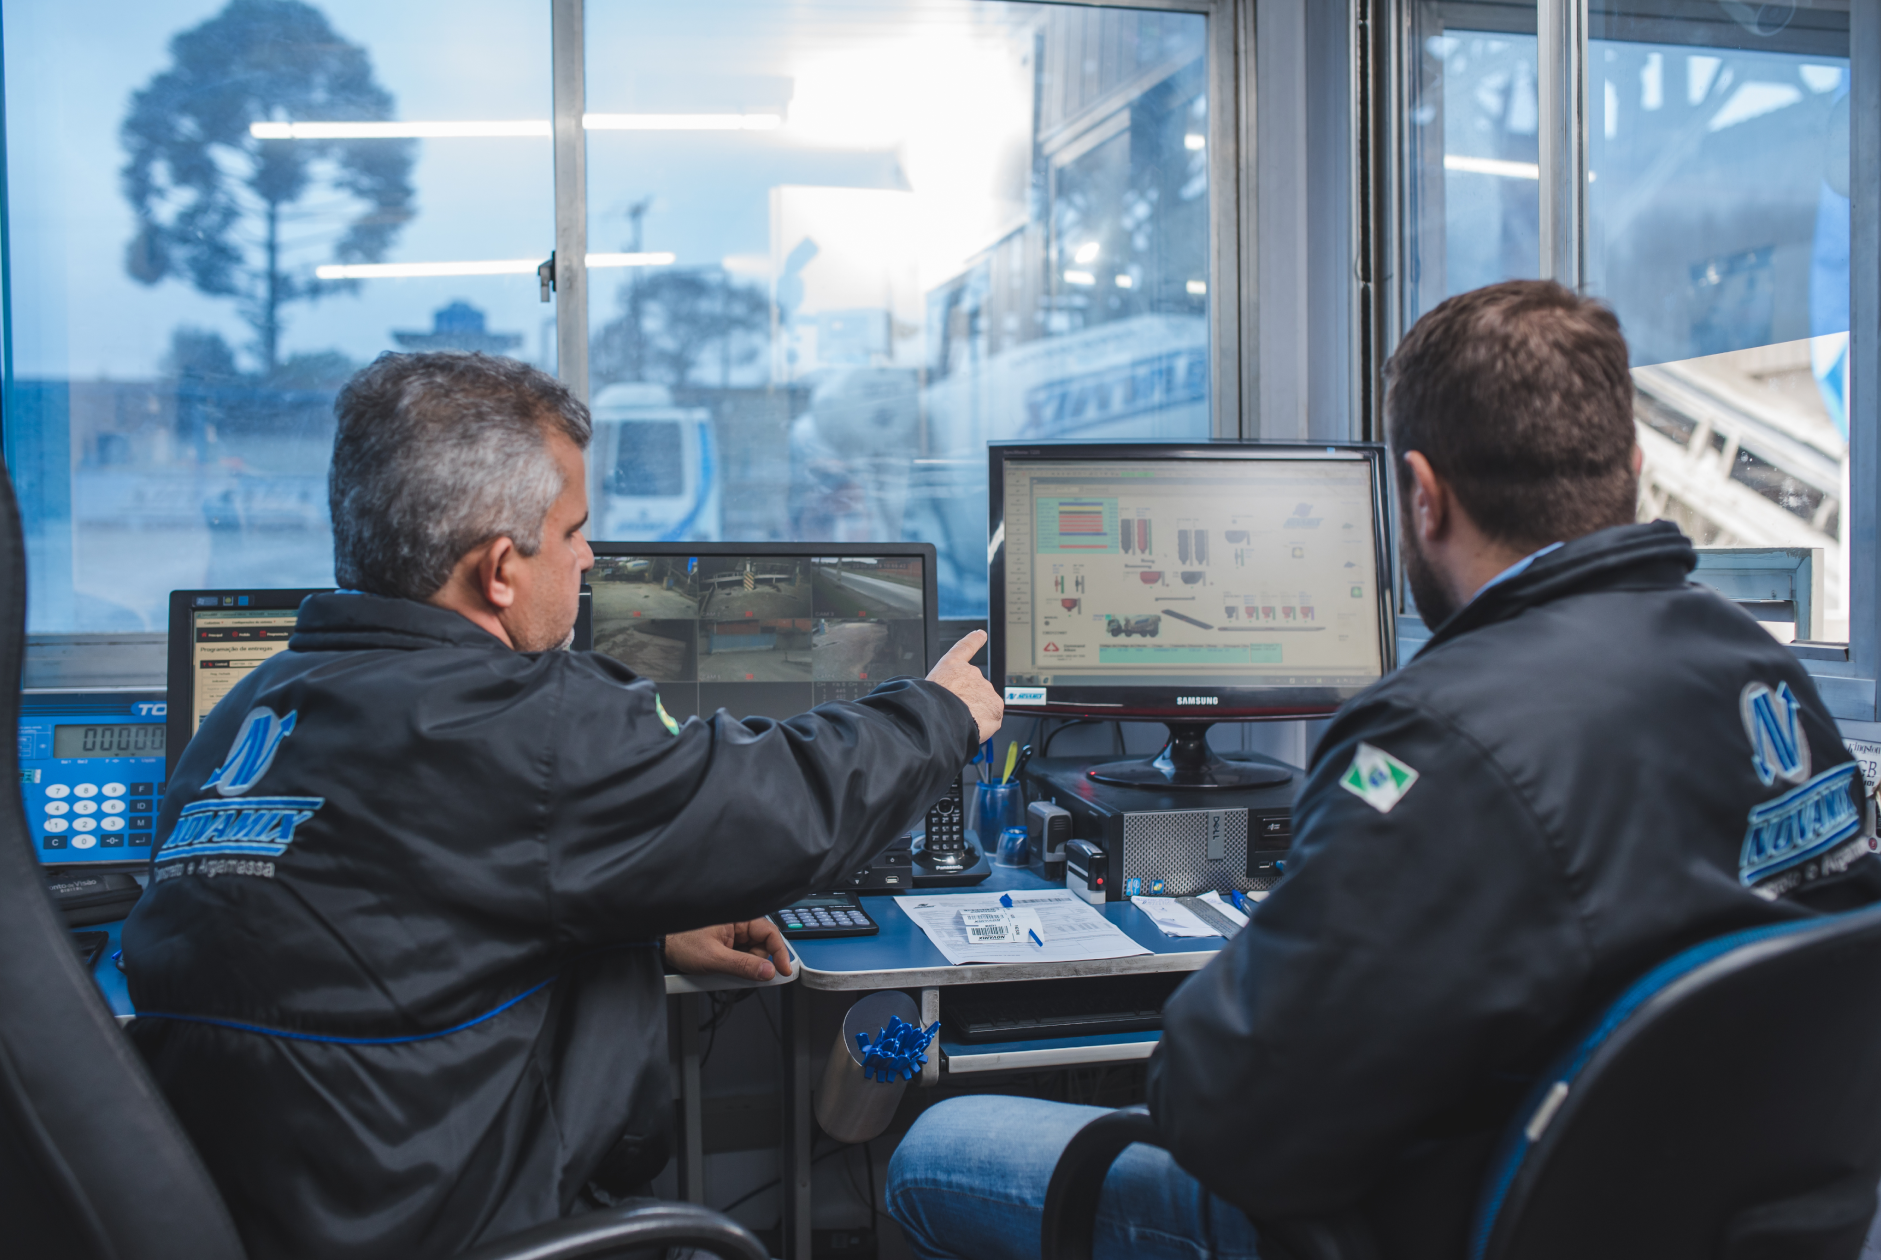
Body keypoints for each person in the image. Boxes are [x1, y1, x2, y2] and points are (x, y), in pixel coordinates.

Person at [887, 280, 1881, 1259]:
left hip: (1430, 1222)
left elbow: (1228, 1119)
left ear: (1422, 493)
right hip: (1677, 1218)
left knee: (930, 1151)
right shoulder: (1765, 675)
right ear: (1627, 463)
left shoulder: (1433, 740)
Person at [123, 352, 1002, 1260]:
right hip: (473, 1228)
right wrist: (938, 715)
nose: (589, 558)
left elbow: (391, 937)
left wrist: (639, 933)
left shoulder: (243, 717)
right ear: (500, 569)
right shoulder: (527, 720)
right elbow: (784, 801)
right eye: (575, 531)